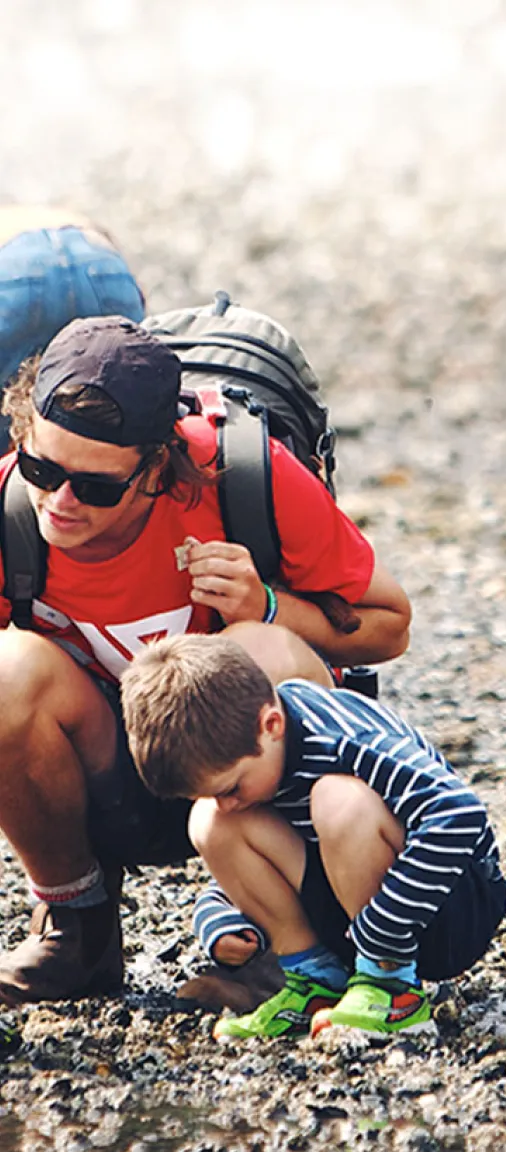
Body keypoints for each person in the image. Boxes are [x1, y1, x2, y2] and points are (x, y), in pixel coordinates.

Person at [0, 315, 411, 1007]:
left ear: (158, 467)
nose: (59, 502)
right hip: (110, 776)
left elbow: (389, 626)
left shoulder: (247, 481)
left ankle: (296, 942)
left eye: (96, 487)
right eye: (43, 468)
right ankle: (77, 930)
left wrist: (270, 604)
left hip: (249, 772)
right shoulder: (12, 510)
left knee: (260, 647)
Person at [120, 633, 506, 1041]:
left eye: (231, 787)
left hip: (451, 903)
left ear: (271, 725)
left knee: (337, 800)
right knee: (208, 820)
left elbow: (458, 814)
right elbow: (275, 849)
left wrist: (381, 929)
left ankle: (392, 990)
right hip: (357, 919)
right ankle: (316, 984)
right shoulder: (258, 758)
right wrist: (219, 916)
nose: (229, 802)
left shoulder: (340, 738)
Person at [0, 206, 145, 448]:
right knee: (116, 400)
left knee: (12, 415)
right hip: (101, 264)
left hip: (13, 274)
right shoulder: (71, 219)